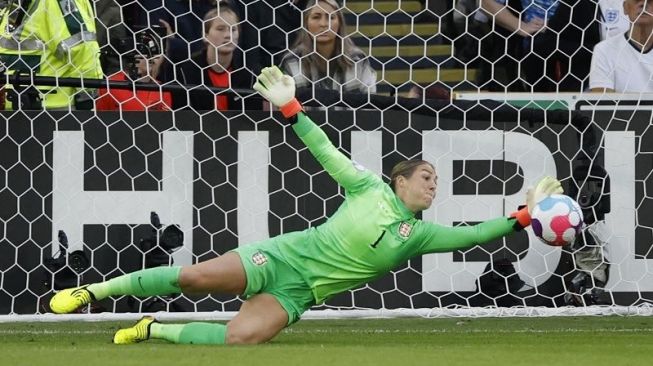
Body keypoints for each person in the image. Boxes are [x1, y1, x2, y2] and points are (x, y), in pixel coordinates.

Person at [50, 66, 563, 345]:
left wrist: (524, 216)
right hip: (282, 256)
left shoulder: (422, 235)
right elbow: (324, 148)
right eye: (425, 177)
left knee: (241, 339)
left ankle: (152, 329)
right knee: (193, 278)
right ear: (399, 180)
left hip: (301, 292)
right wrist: (292, 108)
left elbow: (474, 235)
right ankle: (90, 290)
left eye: (436, 182)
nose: (433, 186)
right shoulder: (367, 187)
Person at [0, 0, 104, 110]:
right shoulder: (16, 4)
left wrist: (85, 105)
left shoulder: (53, 2)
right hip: (18, 110)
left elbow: (83, 50)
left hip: (53, 112)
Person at [172, 4, 259, 110]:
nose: (228, 35)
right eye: (220, 29)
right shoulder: (185, 71)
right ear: (205, 35)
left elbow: (253, 117)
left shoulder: (248, 74)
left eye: (233, 29)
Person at [280, 0, 377, 94]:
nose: (323, 24)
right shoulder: (292, 61)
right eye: (316, 17)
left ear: (340, 23)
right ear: (306, 23)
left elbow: (370, 105)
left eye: (331, 17)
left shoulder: (357, 60)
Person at [590, 0, 653, 93]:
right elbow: (602, 104)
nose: (643, 4)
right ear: (625, 7)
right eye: (636, 0)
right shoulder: (604, 50)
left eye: (650, 1)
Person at [95, 53, 172, 111]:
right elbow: (101, 118)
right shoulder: (112, 84)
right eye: (145, 55)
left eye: (155, 55)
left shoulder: (162, 89)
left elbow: (164, 121)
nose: (151, 59)